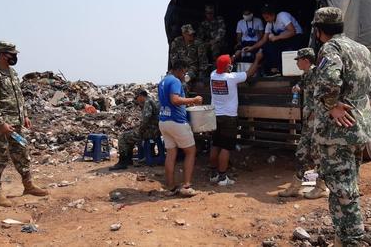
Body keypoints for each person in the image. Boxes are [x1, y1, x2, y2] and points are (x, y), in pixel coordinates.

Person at [312, 7, 371, 246]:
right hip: (358, 127)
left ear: (319, 30)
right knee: (349, 185)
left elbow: (329, 81)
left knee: (342, 191)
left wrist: (331, 106)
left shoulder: (331, 48)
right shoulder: (362, 50)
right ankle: (342, 239)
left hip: (337, 132)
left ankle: (353, 240)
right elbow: (367, 89)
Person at [0, 41, 48, 207]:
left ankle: (28, 185)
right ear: (3, 54)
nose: (15, 57)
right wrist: (0, 123)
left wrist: (24, 115)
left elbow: (19, 97)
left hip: (16, 124)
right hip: (1, 126)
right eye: (12, 54)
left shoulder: (13, 73)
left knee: (22, 152)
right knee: (0, 157)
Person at [278, 48, 328, 199]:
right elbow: (303, 84)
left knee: (317, 153)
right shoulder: (307, 74)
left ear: (306, 60)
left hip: (317, 121)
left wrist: (315, 111)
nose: (297, 63)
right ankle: (296, 186)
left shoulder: (317, 73)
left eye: (298, 60)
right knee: (301, 153)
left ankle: (320, 186)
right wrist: (298, 87)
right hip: (308, 122)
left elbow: (324, 94)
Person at [209, 53, 262, 186]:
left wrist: (233, 57)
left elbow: (222, 66)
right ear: (228, 67)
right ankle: (222, 178)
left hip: (215, 115)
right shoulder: (231, 78)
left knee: (215, 145)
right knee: (226, 147)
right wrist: (257, 59)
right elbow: (249, 73)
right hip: (229, 117)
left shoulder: (213, 75)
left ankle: (213, 174)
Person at [158, 59, 203, 196]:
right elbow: (175, 100)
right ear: (179, 70)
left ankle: (171, 187)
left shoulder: (163, 81)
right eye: (184, 72)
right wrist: (194, 100)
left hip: (164, 121)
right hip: (176, 122)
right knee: (190, 151)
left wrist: (186, 104)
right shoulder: (175, 81)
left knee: (171, 154)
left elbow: (169, 101)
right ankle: (187, 186)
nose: (184, 76)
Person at [243, 3, 304, 76]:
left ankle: (278, 69)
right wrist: (252, 47)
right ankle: (271, 69)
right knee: (266, 47)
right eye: (264, 18)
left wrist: (276, 37)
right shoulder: (269, 24)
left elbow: (292, 31)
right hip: (283, 40)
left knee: (274, 46)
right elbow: (263, 40)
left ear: (272, 14)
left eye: (267, 17)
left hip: (296, 37)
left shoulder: (282, 16)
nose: (266, 20)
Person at [109, 89, 159, 170]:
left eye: (137, 97)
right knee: (129, 136)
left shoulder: (147, 102)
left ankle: (122, 162)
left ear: (141, 96)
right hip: (154, 130)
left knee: (122, 137)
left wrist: (140, 129)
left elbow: (146, 119)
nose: (137, 99)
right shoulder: (151, 101)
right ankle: (128, 160)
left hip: (150, 131)